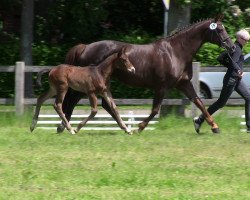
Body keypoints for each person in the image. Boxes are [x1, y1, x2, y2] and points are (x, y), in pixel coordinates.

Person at [193, 29, 250, 133]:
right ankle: (199, 119)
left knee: (249, 98)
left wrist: (234, 69)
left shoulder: (232, 47)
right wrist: (238, 70)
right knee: (220, 103)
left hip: (235, 79)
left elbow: (220, 58)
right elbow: (233, 63)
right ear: (239, 38)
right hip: (231, 80)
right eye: (246, 40)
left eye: (248, 40)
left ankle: (249, 127)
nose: (247, 42)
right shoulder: (237, 48)